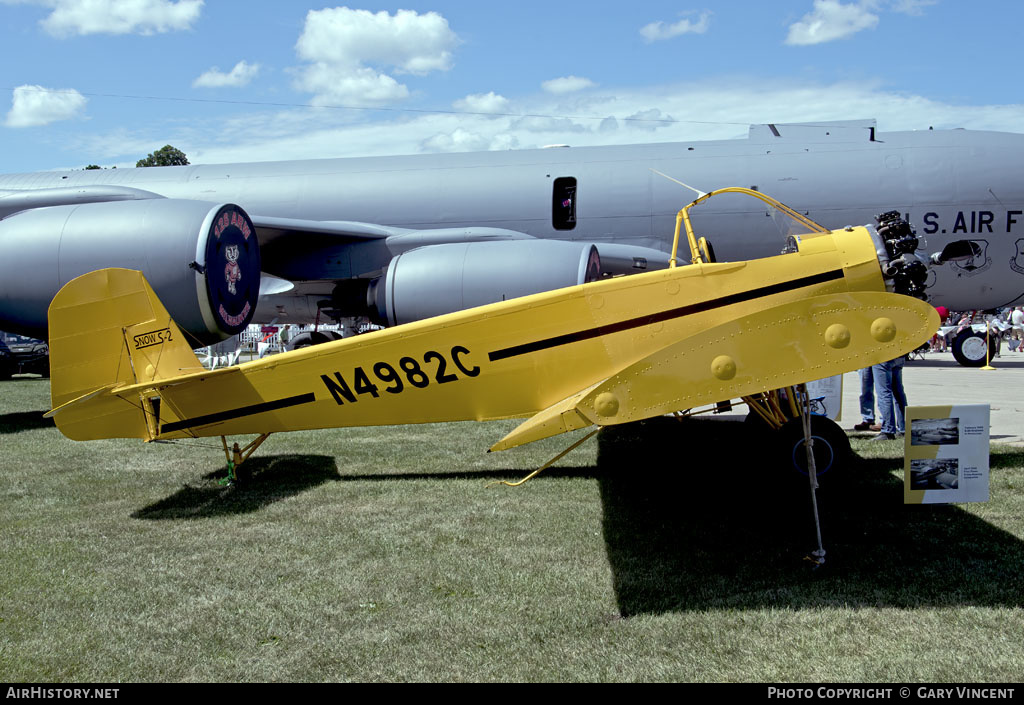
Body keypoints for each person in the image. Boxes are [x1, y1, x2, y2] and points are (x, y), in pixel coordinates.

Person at [871, 355, 907, 441]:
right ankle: (904, 428)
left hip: (882, 356)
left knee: (884, 393)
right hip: (899, 354)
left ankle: (888, 431)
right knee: (898, 393)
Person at [853, 366, 875, 431]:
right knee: (865, 391)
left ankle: (885, 422)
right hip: (864, 361)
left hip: (880, 360)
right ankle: (868, 419)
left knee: (883, 393)